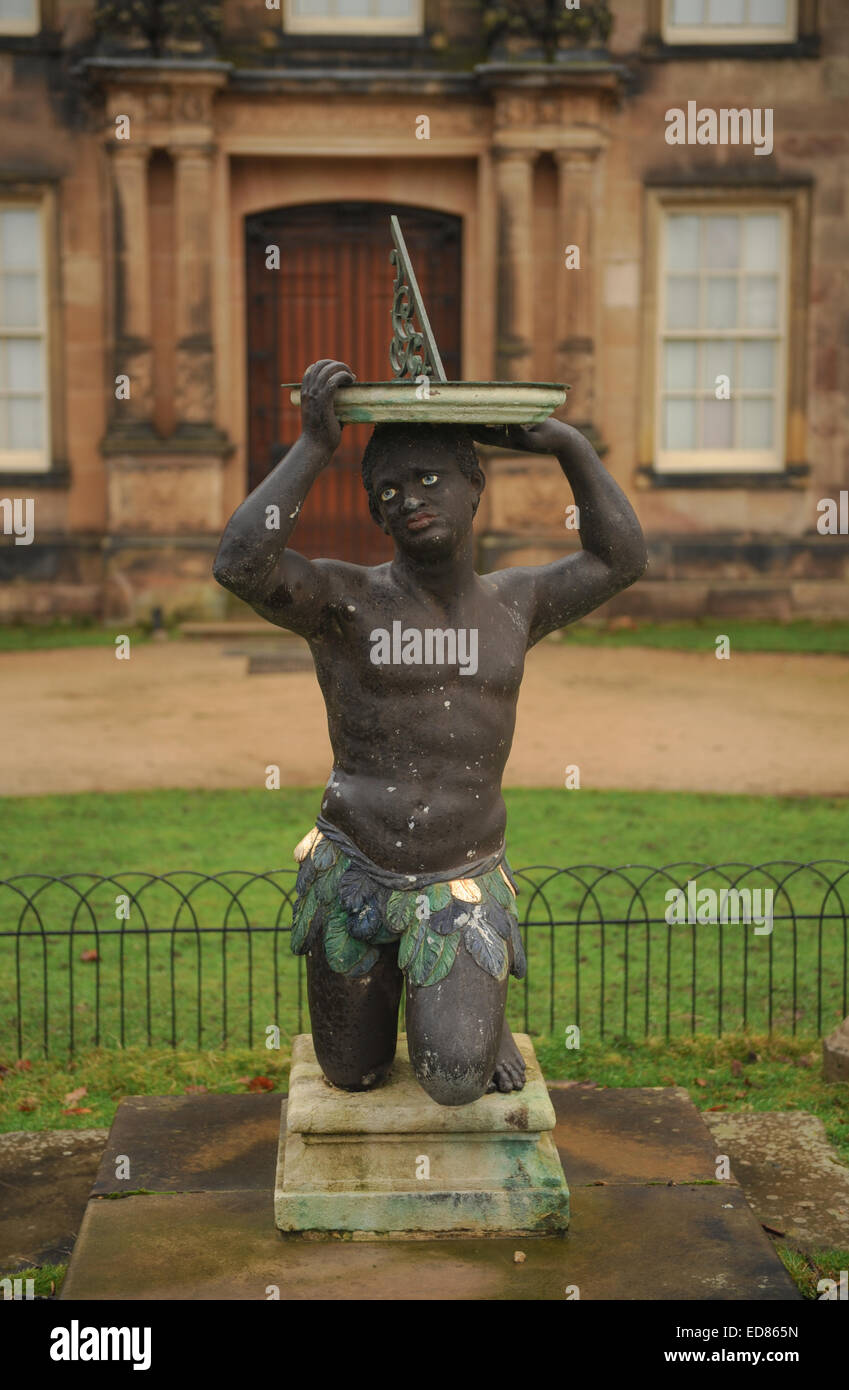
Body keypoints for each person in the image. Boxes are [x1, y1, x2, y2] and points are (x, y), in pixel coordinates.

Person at [214, 359, 647, 1105]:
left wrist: (568, 444)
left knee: (452, 1079)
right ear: (377, 518)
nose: (408, 498)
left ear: (472, 486)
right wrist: (316, 445)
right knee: (351, 1075)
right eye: (387, 491)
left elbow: (619, 558)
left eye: (426, 478)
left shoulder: (517, 602)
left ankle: (472, 1018)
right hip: (355, 862)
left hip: (460, 874)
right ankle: (428, 1001)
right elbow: (240, 565)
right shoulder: (344, 602)